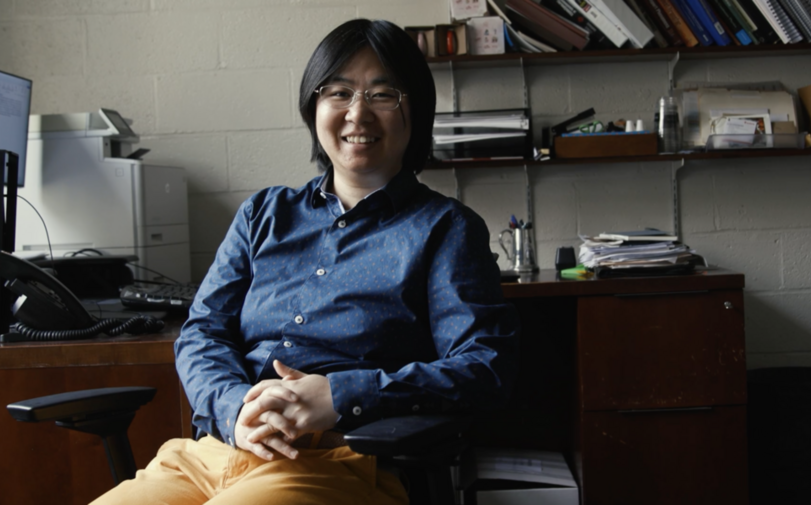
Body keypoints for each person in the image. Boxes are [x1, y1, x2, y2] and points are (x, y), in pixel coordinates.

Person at [92, 18, 519, 505]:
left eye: (383, 95)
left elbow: (485, 367)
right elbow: (203, 331)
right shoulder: (263, 214)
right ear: (314, 107)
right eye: (338, 92)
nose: (357, 115)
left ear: (414, 111)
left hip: (337, 460)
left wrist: (341, 396)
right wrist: (233, 409)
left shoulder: (445, 228)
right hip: (210, 454)